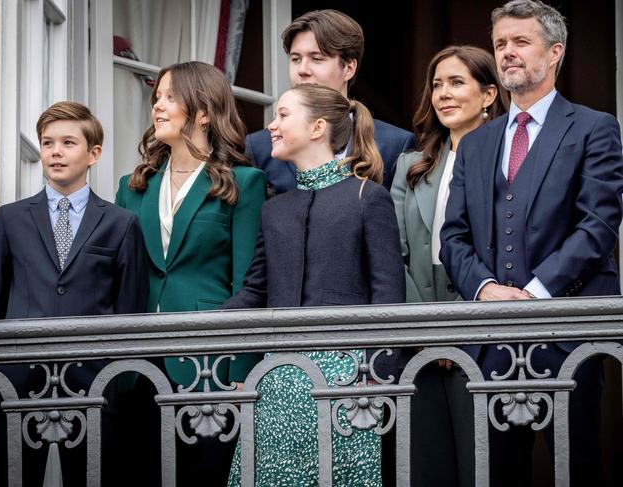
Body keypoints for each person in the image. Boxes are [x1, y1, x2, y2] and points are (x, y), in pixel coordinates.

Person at [440, 1, 623, 486]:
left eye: (520, 42)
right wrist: (484, 289)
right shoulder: (476, 143)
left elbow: (599, 224)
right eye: (500, 44)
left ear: (555, 51)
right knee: (498, 470)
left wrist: (536, 294)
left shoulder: (593, 128)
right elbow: (452, 235)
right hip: (491, 336)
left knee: (576, 463)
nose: (507, 53)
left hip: (568, 328)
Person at [223, 83, 405, 486]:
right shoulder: (275, 209)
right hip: (278, 380)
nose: (271, 124)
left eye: (283, 115)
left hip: (348, 382)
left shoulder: (367, 197)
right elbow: (255, 292)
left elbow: (388, 296)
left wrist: (377, 375)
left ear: (318, 127)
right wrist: (197, 326)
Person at [0, 101, 150, 487]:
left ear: (94, 154)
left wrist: (114, 376)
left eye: (68, 142)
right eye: (48, 142)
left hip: (94, 379)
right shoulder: (10, 218)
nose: (55, 151)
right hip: (18, 379)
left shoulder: (121, 224)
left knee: (93, 477)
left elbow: (130, 305)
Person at [115, 61, 266, 485]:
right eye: (156, 98)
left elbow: (248, 284)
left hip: (210, 360)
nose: (158, 107)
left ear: (203, 112)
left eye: (169, 97)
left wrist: (241, 372)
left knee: (205, 475)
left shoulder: (243, 183)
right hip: (139, 361)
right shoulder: (133, 186)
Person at [391, 45, 508, 487]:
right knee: (425, 467)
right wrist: (427, 332)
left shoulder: (508, 164)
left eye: (456, 82)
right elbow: (395, 254)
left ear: (489, 95)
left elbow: (501, 254)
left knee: (484, 468)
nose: (443, 93)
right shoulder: (409, 166)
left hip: (482, 337)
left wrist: (459, 327)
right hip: (416, 343)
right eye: (437, 84)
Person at [246, 9, 416, 195]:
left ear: (349, 68)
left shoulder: (396, 145)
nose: (302, 69)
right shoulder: (260, 146)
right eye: (295, 59)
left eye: (317, 58)